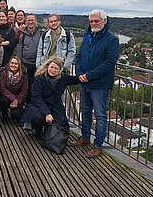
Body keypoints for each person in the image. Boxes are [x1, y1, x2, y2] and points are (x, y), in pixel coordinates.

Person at [71, 9, 120, 158]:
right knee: (85, 111)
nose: (93, 23)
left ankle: (98, 145)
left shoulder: (111, 39)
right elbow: (79, 56)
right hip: (84, 81)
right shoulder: (88, 37)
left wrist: (89, 75)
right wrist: (79, 73)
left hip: (99, 84)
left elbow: (109, 63)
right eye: (91, 21)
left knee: (99, 115)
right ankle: (85, 137)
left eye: (96, 21)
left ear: (104, 21)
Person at [22, 57, 79, 140]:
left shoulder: (63, 79)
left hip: (54, 105)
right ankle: (38, 131)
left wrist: (87, 74)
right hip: (39, 104)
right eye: (51, 67)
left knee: (61, 123)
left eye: (56, 68)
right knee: (38, 118)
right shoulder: (39, 78)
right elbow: (36, 97)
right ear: (47, 66)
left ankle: (48, 133)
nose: (53, 70)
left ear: (60, 70)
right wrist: (47, 113)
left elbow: (77, 79)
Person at [16, 13, 41, 103]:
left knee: (36, 86)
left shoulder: (41, 34)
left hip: (37, 64)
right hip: (25, 64)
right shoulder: (22, 36)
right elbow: (19, 50)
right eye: (28, 20)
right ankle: (26, 103)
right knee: (26, 85)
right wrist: (20, 64)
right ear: (25, 22)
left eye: (32, 20)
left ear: (36, 21)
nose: (30, 22)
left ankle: (35, 103)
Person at [0, 56, 28, 125]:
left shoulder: (24, 75)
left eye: (16, 64)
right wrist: (13, 99)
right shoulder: (3, 73)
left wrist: (17, 100)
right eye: (12, 63)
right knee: (3, 100)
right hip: (6, 96)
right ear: (9, 63)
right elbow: (2, 88)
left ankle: (18, 116)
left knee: (16, 114)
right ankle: (4, 115)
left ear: (19, 65)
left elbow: (24, 90)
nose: (13, 65)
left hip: (18, 97)